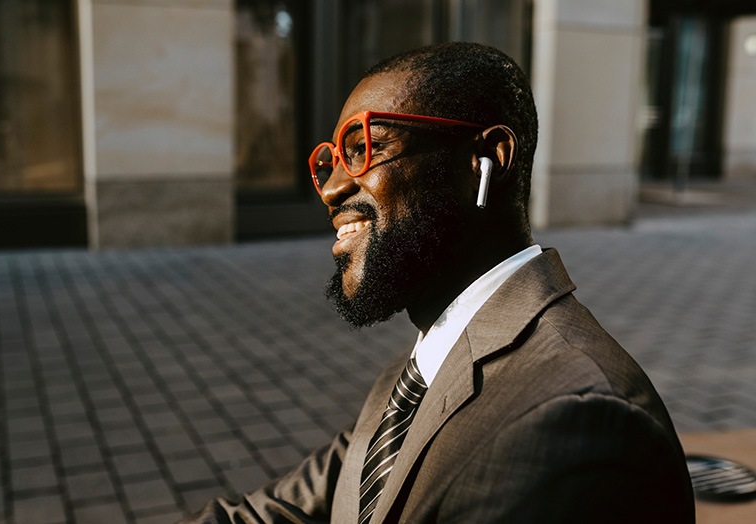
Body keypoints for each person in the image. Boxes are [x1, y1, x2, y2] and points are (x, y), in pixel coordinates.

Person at [181, 42, 695, 523]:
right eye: (331, 161)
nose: (333, 189)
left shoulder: (574, 416)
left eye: (366, 146)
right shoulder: (413, 373)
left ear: (485, 160)